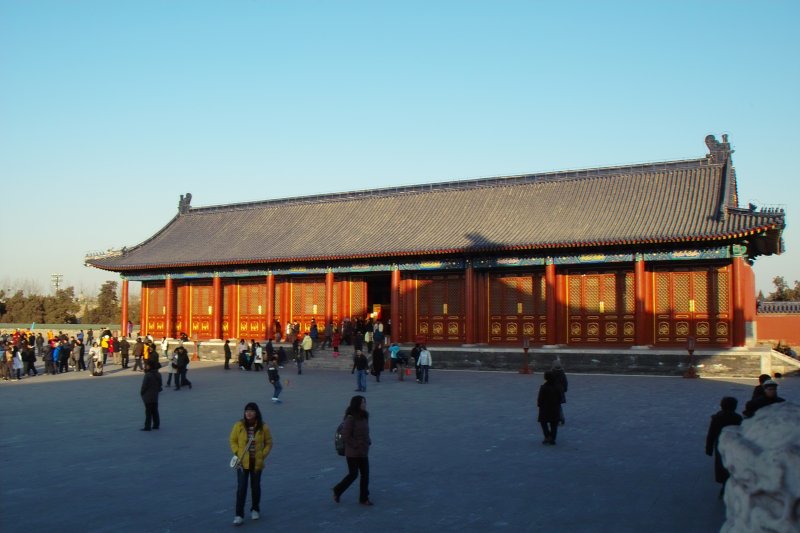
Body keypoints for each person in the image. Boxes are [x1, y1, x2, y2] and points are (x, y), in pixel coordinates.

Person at [229, 402, 273, 526]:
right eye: (246, 410)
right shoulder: (239, 425)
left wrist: (262, 455)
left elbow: (269, 442)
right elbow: (232, 440)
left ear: (256, 413)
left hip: (256, 462)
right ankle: (239, 515)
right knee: (241, 488)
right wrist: (237, 452)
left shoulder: (263, 427)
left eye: (251, 411)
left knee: (255, 487)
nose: (248, 413)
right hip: (242, 463)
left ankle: (255, 509)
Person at [333, 395, 372, 506]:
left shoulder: (364, 415)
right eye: (362, 403)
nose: (364, 404)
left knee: (365, 474)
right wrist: (355, 445)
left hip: (363, 450)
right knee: (353, 474)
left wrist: (368, 440)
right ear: (357, 405)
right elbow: (345, 435)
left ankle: (364, 498)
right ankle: (337, 490)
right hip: (353, 452)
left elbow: (366, 430)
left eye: (365, 402)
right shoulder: (350, 418)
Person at [705, 396, 742, 498]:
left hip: (720, 445)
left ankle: (724, 486)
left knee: (721, 465)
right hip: (734, 445)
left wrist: (709, 448)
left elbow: (711, 434)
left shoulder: (717, 418)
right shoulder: (737, 418)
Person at [537, 371, 561, 445]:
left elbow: (540, 398)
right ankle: (552, 438)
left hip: (545, 408)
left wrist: (539, 405)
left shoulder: (543, 387)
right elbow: (560, 398)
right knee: (554, 424)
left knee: (543, 423)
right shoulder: (557, 387)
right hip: (554, 408)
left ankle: (547, 436)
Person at [140, 361, 163, 431]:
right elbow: (160, 385)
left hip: (148, 395)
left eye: (147, 366)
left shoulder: (148, 375)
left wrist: (142, 393)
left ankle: (147, 426)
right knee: (155, 410)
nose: (145, 367)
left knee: (148, 412)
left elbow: (144, 386)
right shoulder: (158, 374)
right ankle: (156, 424)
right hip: (155, 395)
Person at [551, 360, 568, 424]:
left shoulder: (552, 373)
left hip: (553, 392)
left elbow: (549, 382)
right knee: (558, 405)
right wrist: (564, 389)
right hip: (560, 392)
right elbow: (565, 382)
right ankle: (560, 418)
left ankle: (558, 418)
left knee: (554, 406)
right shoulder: (562, 373)